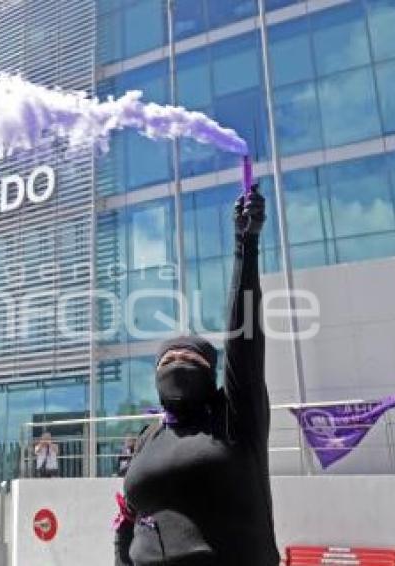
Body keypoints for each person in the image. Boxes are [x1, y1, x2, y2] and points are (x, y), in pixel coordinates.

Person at [114, 185, 280, 566]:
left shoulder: (233, 417)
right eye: (167, 358)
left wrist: (246, 244)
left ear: (212, 373)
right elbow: (129, 524)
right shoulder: (149, 437)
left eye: (191, 356)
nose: (177, 360)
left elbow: (245, 340)